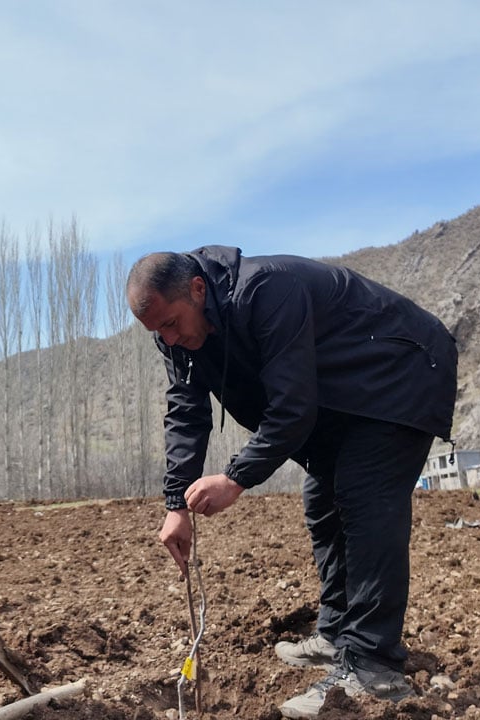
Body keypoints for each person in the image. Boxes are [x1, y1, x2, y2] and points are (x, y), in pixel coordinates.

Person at [126, 246, 457, 719]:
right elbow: (186, 411)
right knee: (322, 501)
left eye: (173, 323)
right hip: (342, 399)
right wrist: (176, 503)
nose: (170, 339)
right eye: (158, 331)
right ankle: (338, 632)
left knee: (366, 503)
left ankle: (372, 668)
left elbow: (292, 406)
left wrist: (237, 477)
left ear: (198, 290)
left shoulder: (266, 290)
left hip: (399, 374)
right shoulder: (177, 336)